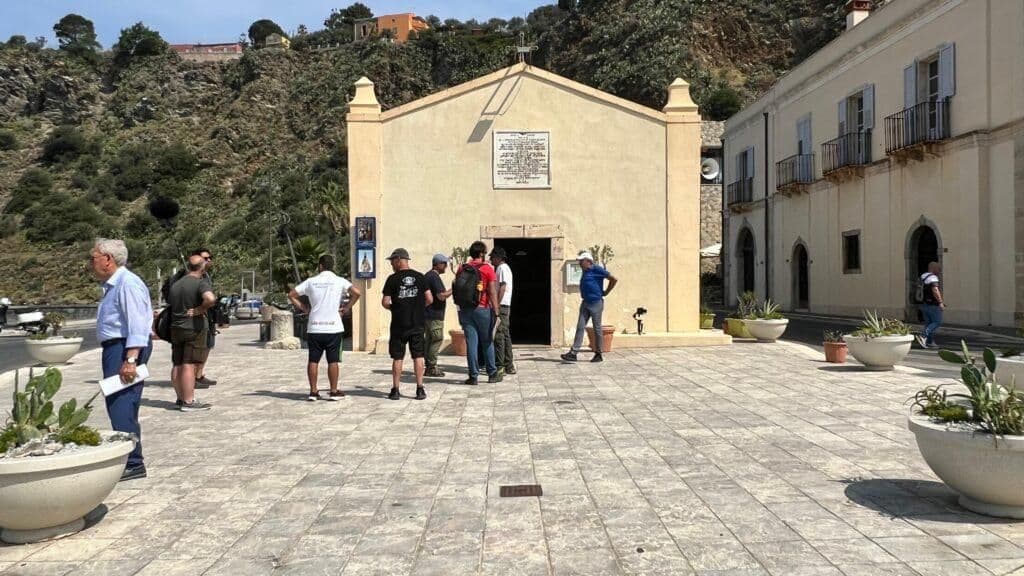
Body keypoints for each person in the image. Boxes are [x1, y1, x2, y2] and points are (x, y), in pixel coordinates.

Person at [91, 239, 153, 481]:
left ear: (108, 259)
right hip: (118, 347)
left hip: (124, 348)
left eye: (93, 258)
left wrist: (130, 359)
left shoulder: (128, 284)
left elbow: (137, 324)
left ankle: (133, 462)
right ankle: (131, 458)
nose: (90, 263)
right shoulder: (114, 285)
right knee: (120, 404)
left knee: (122, 403)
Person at [289, 255, 361, 401]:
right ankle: (334, 391)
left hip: (315, 327)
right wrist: (346, 308)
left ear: (320, 266)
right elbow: (357, 293)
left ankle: (313, 391)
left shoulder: (311, 282)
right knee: (333, 360)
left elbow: (291, 294)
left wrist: (304, 308)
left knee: (313, 360)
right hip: (333, 327)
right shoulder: (340, 281)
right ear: (332, 266)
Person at [382, 248, 432, 400]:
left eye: (392, 261)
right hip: (417, 324)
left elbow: (385, 302)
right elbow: (429, 299)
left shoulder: (392, 279)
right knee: (418, 356)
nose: (391, 264)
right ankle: (420, 389)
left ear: (398, 260)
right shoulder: (420, 277)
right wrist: (417, 308)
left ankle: (396, 390)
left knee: (398, 357)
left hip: (399, 325)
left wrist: (395, 308)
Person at [168, 254, 216, 412]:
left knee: (178, 363)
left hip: (176, 327)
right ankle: (189, 401)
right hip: (193, 328)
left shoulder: (175, 284)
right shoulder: (200, 283)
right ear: (202, 267)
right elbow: (210, 299)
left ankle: (180, 398)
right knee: (190, 364)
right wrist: (199, 310)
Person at [455, 241, 502, 385]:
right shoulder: (487, 269)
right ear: (482, 254)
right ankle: (492, 373)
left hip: (465, 310)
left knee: (471, 343)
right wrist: (496, 311)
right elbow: (492, 291)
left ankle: (473, 376)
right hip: (482, 309)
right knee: (487, 341)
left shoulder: (462, 268)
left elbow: (457, 287)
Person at [561, 251, 618, 363]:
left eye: (582, 261)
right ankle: (573, 353)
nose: (580, 263)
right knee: (580, 326)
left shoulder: (597, 269)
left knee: (597, 328)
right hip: (585, 303)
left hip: (596, 303)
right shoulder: (585, 270)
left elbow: (614, 279)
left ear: (588, 261)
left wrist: (606, 291)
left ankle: (598, 354)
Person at [424, 253, 453, 378]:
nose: (446, 267)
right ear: (438, 264)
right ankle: (431, 366)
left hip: (428, 315)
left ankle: (428, 366)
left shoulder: (428, 276)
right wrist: (454, 288)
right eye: (444, 264)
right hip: (434, 315)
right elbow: (441, 296)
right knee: (436, 339)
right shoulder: (433, 277)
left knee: (429, 341)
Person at [490, 247, 516, 376]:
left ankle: (502, 365)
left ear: (499, 258)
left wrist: (497, 305)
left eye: (493, 257)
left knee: (500, 335)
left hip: (502, 305)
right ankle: (508, 364)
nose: (491, 260)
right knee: (505, 334)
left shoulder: (502, 268)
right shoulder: (502, 268)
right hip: (504, 305)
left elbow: (502, 286)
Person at [917, 261, 945, 349]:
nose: (939, 270)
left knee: (928, 323)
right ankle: (923, 336)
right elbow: (935, 290)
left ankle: (929, 342)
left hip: (923, 304)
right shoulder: (933, 278)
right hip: (933, 304)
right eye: (938, 268)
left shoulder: (923, 276)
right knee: (937, 321)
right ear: (933, 268)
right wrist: (940, 302)